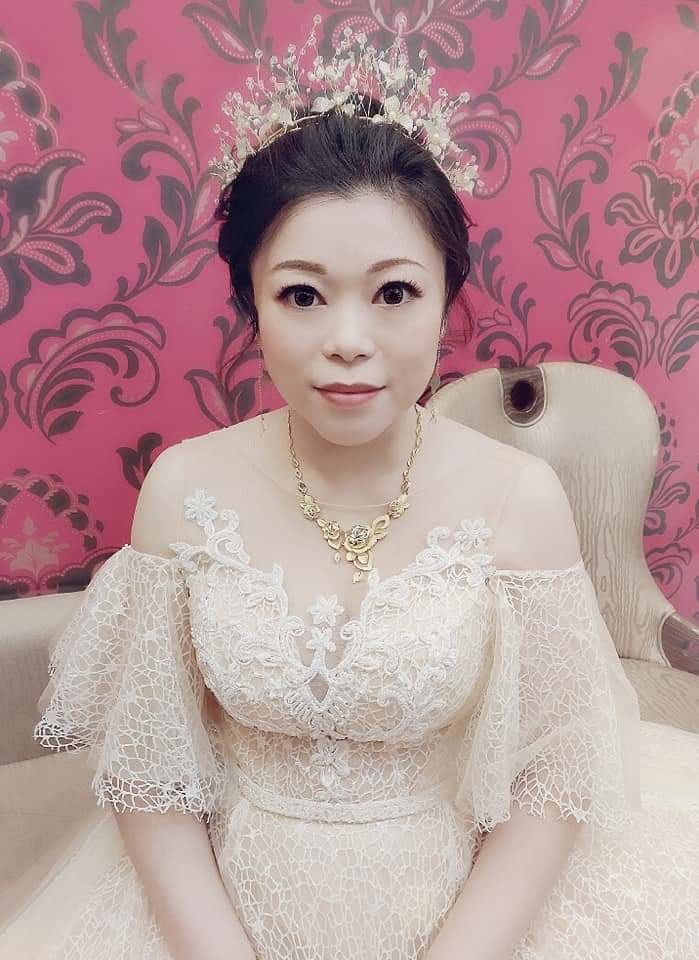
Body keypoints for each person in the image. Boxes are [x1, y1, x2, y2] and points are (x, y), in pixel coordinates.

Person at [2, 21, 698, 960]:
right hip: (222, 905)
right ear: (251, 304)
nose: (347, 342)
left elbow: (550, 776)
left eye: (393, 293)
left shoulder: (518, 497)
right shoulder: (184, 487)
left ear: (445, 298)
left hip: (463, 906)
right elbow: (150, 770)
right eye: (301, 295)